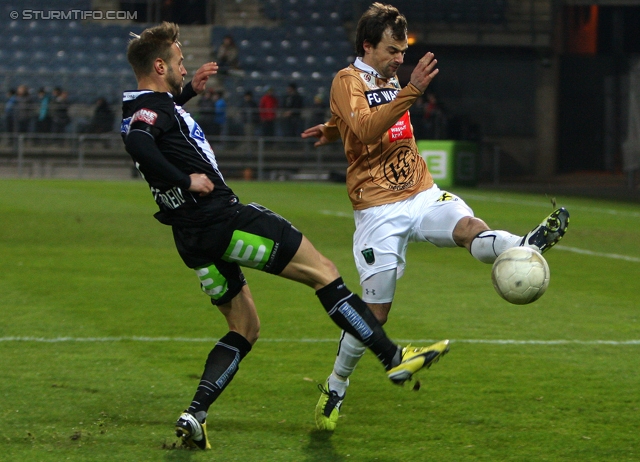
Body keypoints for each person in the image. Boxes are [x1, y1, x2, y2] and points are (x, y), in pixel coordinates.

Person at [121, 21, 449, 450]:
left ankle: (195, 413)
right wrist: (186, 180)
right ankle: (393, 357)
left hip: (191, 239)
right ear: (160, 65)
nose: (186, 68)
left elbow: (154, 125)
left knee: (245, 327)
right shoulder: (150, 113)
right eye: (181, 64)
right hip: (222, 220)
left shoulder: (144, 105)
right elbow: (141, 143)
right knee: (324, 273)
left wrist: (188, 94)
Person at [301, 2, 570, 432]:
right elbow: (366, 126)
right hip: (377, 210)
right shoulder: (345, 80)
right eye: (392, 50)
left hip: (422, 193)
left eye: (402, 50)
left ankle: (524, 243)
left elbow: (356, 120)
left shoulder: (387, 78)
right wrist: (406, 94)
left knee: (469, 228)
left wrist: (332, 128)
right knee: (375, 313)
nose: (400, 59)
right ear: (367, 46)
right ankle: (335, 387)